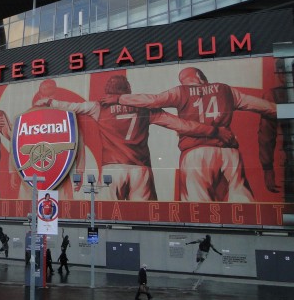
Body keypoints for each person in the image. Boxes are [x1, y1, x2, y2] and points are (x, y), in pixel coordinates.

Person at [38, 74, 233, 200]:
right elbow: (181, 125)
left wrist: (49, 101)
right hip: (141, 170)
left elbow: (71, 107)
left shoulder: (98, 107)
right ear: (128, 91)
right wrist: (213, 131)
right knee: (143, 215)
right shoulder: (145, 109)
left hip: (111, 169)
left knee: (104, 218)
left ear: (108, 91)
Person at [102, 67, 276, 202]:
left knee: (197, 202)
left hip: (195, 151)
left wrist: (119, 99)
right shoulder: (226, 90)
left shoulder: (180, 92)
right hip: (228, 150)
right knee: (241, 194)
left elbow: (153, 100)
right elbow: (267, 108)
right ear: (201, 77)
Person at [258, 58, 293, 198]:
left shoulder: (275, 95)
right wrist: (267, 167)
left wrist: (267, 168)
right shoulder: (274, 95)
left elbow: (266, 135)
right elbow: (267, 135)